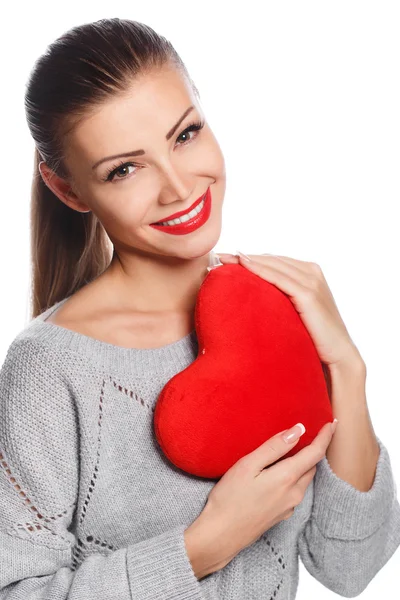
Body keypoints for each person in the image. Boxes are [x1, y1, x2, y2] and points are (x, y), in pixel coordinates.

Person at [0, 17, 399, 600]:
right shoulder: (50, 369)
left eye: (184, 135)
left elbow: (352, 567)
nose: (179, 187)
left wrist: (346, 366)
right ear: (69, 191)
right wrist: (203, 546)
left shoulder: (271, 304)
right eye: (125, 169)